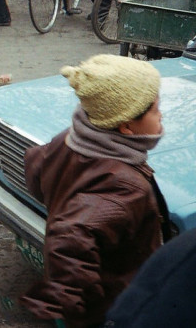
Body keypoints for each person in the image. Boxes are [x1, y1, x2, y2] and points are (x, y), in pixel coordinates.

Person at [21, 54, 171, 328]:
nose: (161, 114)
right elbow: (70, 238)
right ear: (126, 126)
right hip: (118, 304)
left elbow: (35, 169)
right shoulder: (124, 186)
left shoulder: (69, 140)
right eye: (154, 109)